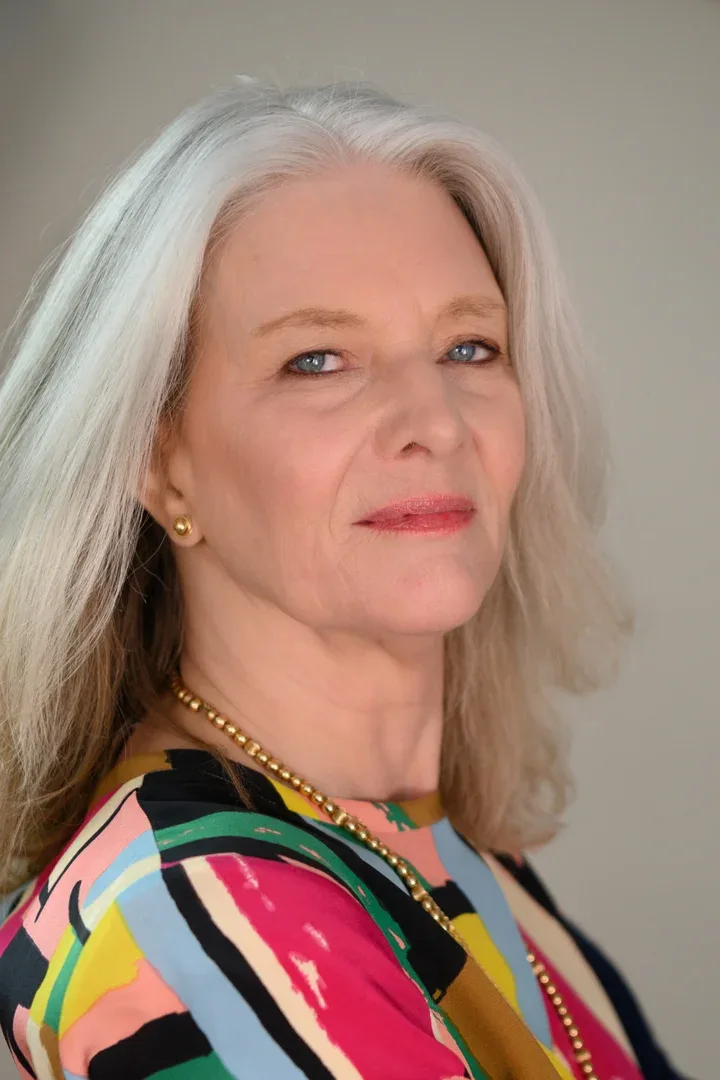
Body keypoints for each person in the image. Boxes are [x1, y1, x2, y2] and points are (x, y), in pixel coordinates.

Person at [0, 78, 691, 1080]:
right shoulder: (201, 917)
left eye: (470, 347)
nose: (436, 421)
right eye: (319, 360)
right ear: (159, 463)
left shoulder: (423, 843)